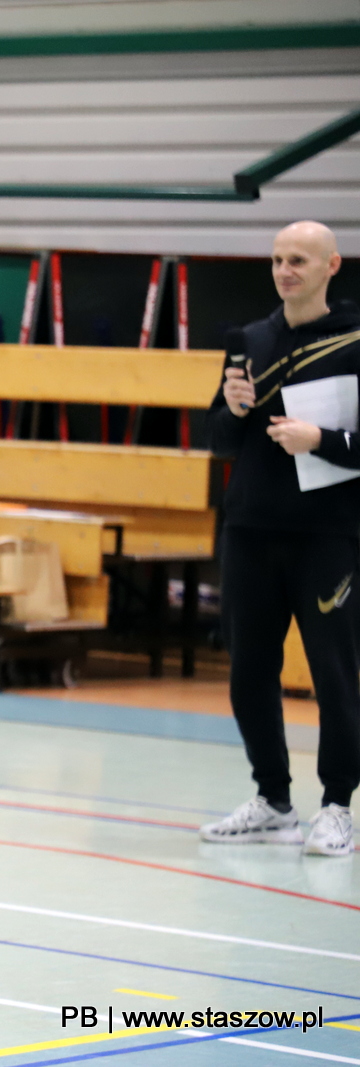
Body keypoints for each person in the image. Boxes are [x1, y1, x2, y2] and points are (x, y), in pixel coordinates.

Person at [201, 220, 360, 858]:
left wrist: (320, 442)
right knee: (248, 673)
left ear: (331, 265)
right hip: (250, 529)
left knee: (335, 674)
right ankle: (273, 801)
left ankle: (337, 807)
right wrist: (234, 411)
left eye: (298, 259)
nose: (284, 270)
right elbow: (216, 439)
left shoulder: (354, 341)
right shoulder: (250, 339)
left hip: (327, 537)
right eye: (275, 259)